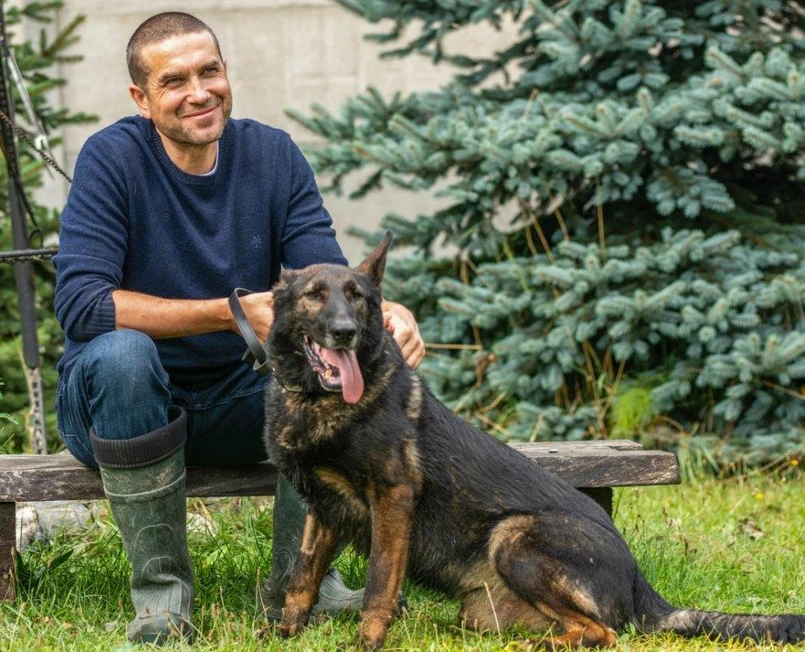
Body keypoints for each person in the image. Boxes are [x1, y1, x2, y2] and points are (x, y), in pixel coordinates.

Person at [53, 11, 424, 645]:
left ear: (226, 72)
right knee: (122, 355)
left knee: (328, 364)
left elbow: (328, 281)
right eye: (175, 81)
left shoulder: (273, 156)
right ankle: (162, 601)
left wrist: (387, 312)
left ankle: (301, 585)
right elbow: (83, 306)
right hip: (120, 410)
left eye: (210, 72)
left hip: (240, 404)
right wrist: (230, 311)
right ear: (141, 98)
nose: (199, 92)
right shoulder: (111, 160)